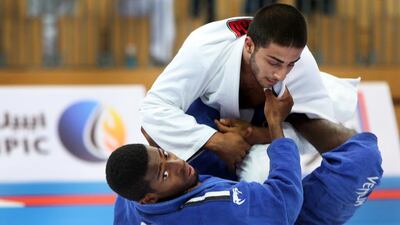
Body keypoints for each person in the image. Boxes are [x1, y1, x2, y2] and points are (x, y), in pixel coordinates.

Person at [139, 3, 358, 180]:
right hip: (203, 118)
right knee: (154, 135)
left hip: (266, 131)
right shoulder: (205, 47)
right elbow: (152, 109)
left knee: (268, 175)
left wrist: (255, 134)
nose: (281, 74)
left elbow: (318, 141)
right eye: (274, 62)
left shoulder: (301, 65)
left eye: (290, 64)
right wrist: (215, 140)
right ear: (249, 46)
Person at [106, 88, 383, 225]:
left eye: (166, 155)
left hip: (221, 192)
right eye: (164, 173)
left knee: (194, 107)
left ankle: (257, 119)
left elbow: (158, 169)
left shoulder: (130, 197)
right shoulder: (210, 208)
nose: (178, 164)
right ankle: (297, 116)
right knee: (365, 161)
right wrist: (276, 124)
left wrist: (170, 136)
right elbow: (282, 200)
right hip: (286, 215)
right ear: (149, 199)